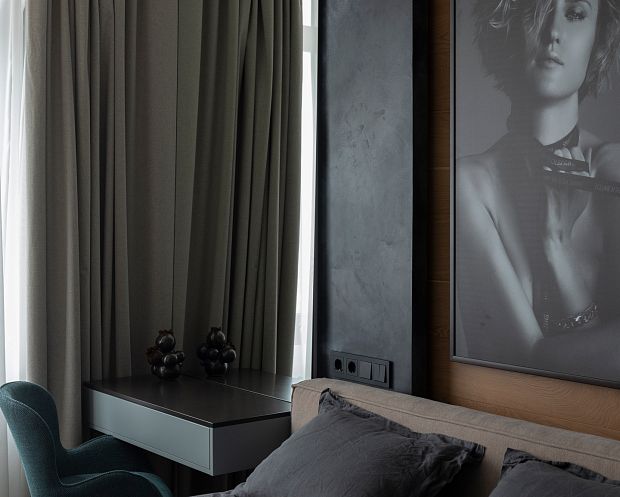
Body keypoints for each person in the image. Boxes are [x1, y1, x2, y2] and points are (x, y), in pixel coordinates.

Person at [456, 0, 620, 378]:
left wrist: (558, 248)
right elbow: (521, 368)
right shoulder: (470, 184)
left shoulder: (615, 170)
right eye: (535, 10)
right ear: (507, 24)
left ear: (599, 39)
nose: (552, 32)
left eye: (575, 14)